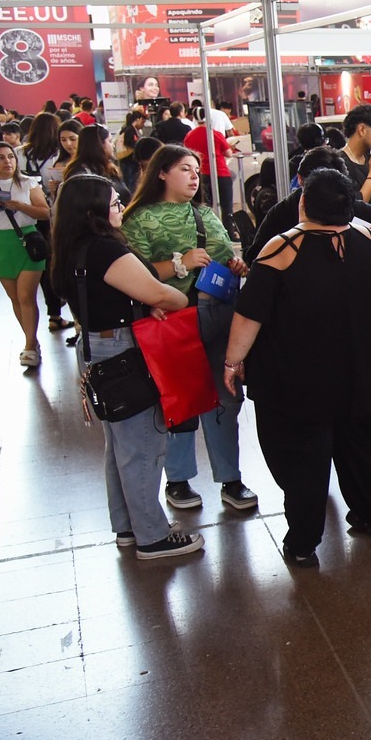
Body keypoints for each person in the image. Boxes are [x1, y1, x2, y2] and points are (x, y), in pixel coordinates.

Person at [223, 168, 371, 567]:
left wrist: (233, 361)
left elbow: (250, 315)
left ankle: (304, 542)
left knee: (303, 463)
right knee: (366, 447)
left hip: (300, 380)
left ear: (303, 203)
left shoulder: (281, 249)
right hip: (365, 371)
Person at [51, 174, 203, 559]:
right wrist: (169, 299)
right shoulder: (105, 250)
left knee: (118, 445)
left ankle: (127, 526)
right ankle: (152, 535)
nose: (120, 206)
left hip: (96, 347)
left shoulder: (71, 248)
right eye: (114, 202)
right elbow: (159, 293)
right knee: (143, 447)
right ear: (93, 210)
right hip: (122, 351)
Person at [122, 145, 258, 513]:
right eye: (185, 169)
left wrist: (235, 264)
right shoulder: (140, 219)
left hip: (217, 310)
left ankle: (231, 478)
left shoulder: (203, 213)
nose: (194, 176)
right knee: (180, 398)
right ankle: (178, 480)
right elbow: (134, 273)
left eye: (197, 169)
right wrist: (178, 264)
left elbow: (223, 252)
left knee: (225, 396)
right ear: (161, 173)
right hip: (172, 316)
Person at [0, 142, 51, 367]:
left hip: (28, 241)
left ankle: (30, 346)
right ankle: (31, 340)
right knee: (15, 298)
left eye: (11, 157)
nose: (8, 162)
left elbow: (44, 212)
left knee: (26, 296)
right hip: (1, 243)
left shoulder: (28, 183)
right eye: (1, 158)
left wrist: (20, 206)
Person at [252, 147, 371, 254]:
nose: (327, 195)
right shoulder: (282, 213)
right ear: (301, 180)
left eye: (334, 185)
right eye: (318, 186)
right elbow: (256, 254)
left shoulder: (351, 206)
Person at [18, 113, 74, 330]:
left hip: (28, 214)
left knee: (39, 263)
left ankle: (53, 313)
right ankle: (57, 312)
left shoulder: (20, 153)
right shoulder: (55, 158)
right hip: (52, 213)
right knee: (55, 260)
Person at [183, 115, 242, 228]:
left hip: (201, 174)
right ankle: (229, 231)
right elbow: (228, 153)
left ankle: (207, 231)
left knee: (205, 207)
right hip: (219, 172)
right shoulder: (214, 134)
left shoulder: (189, 135)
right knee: (226, 206)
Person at [67, 125, 129, 202]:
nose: (113, 145)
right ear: (99, 145)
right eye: (109, 141)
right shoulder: (81, 173)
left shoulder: (109, 167)